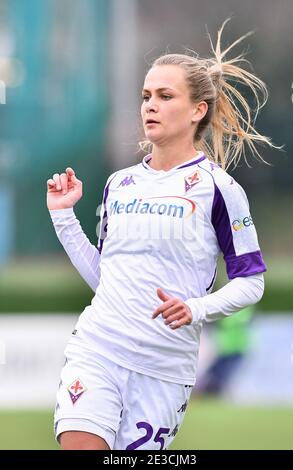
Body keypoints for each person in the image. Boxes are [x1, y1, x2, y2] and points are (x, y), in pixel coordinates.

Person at [46, 19, 275, 450]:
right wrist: (64, 217)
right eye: (146, 96)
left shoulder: (220, 190)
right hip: (99, 348)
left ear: (197, 110)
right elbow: (106, 278)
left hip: (164, 367)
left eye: (165, 96)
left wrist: (196, 308)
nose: (149, 105)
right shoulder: (119, 184)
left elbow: (252, 281)